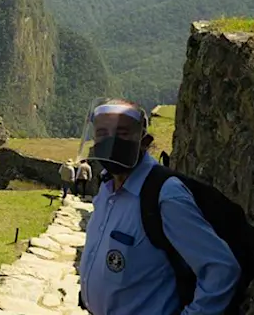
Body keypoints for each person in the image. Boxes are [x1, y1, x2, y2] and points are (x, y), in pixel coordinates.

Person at [78, 99, 241, 315]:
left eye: (123, 133)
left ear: (145, 141)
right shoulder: (107, 186)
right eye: (102, 133)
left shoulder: (165, 195)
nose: (110, 141)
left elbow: (221, 269)